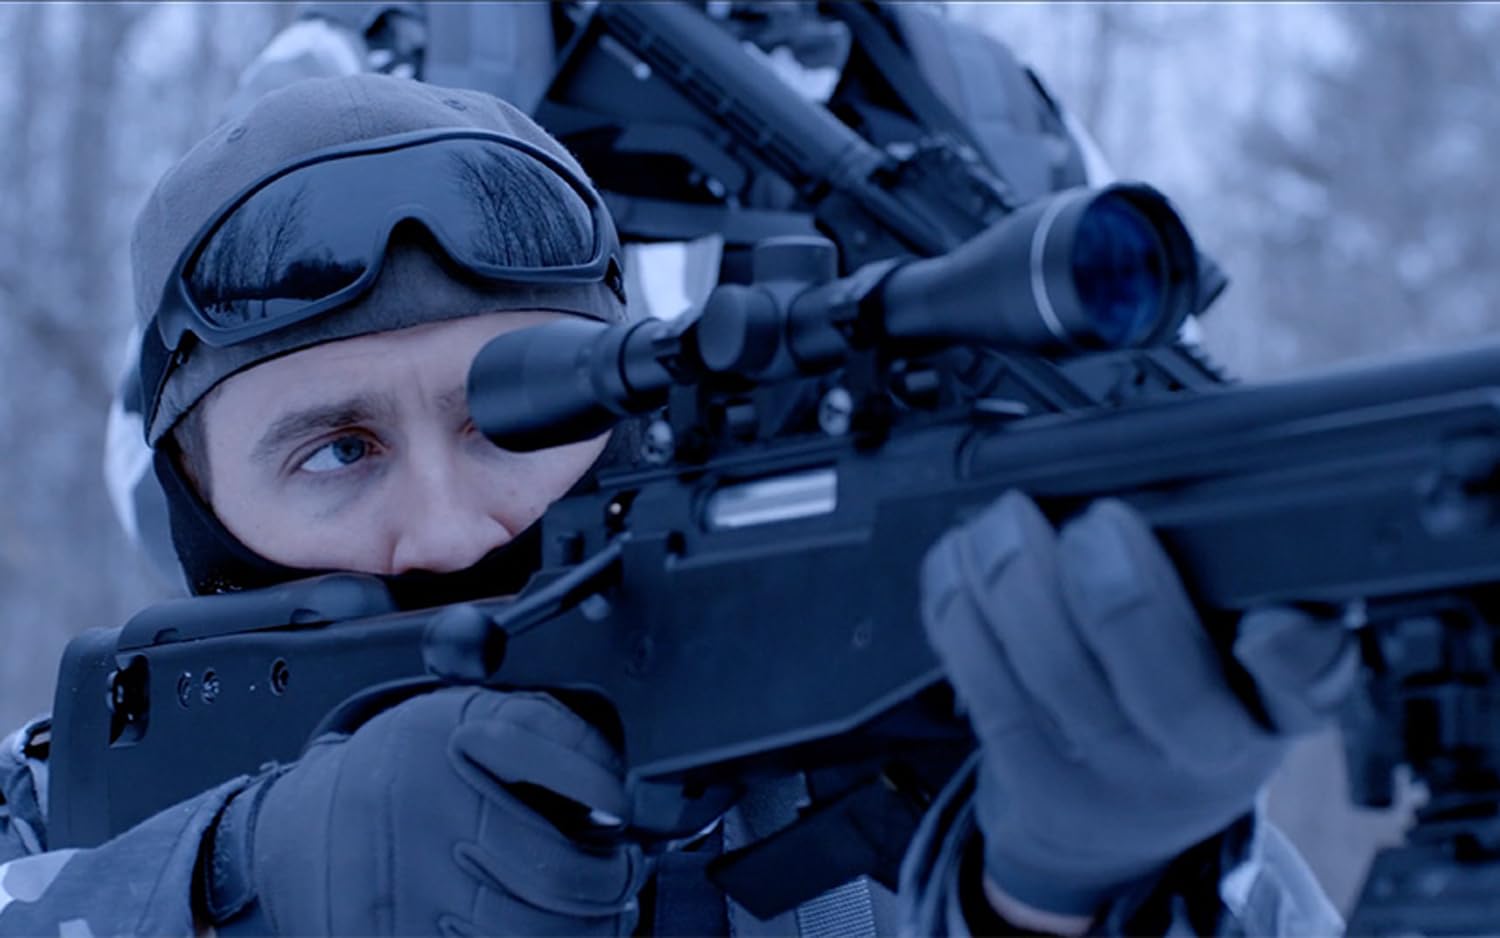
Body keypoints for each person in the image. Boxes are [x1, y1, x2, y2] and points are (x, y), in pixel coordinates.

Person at [2, 70, 1352, 936]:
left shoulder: (885, 763)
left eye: (513, 417)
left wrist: (1086, 895)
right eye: (339, 452)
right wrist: (236, 882)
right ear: (200, 509)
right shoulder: (57, 811)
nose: (455, 528)